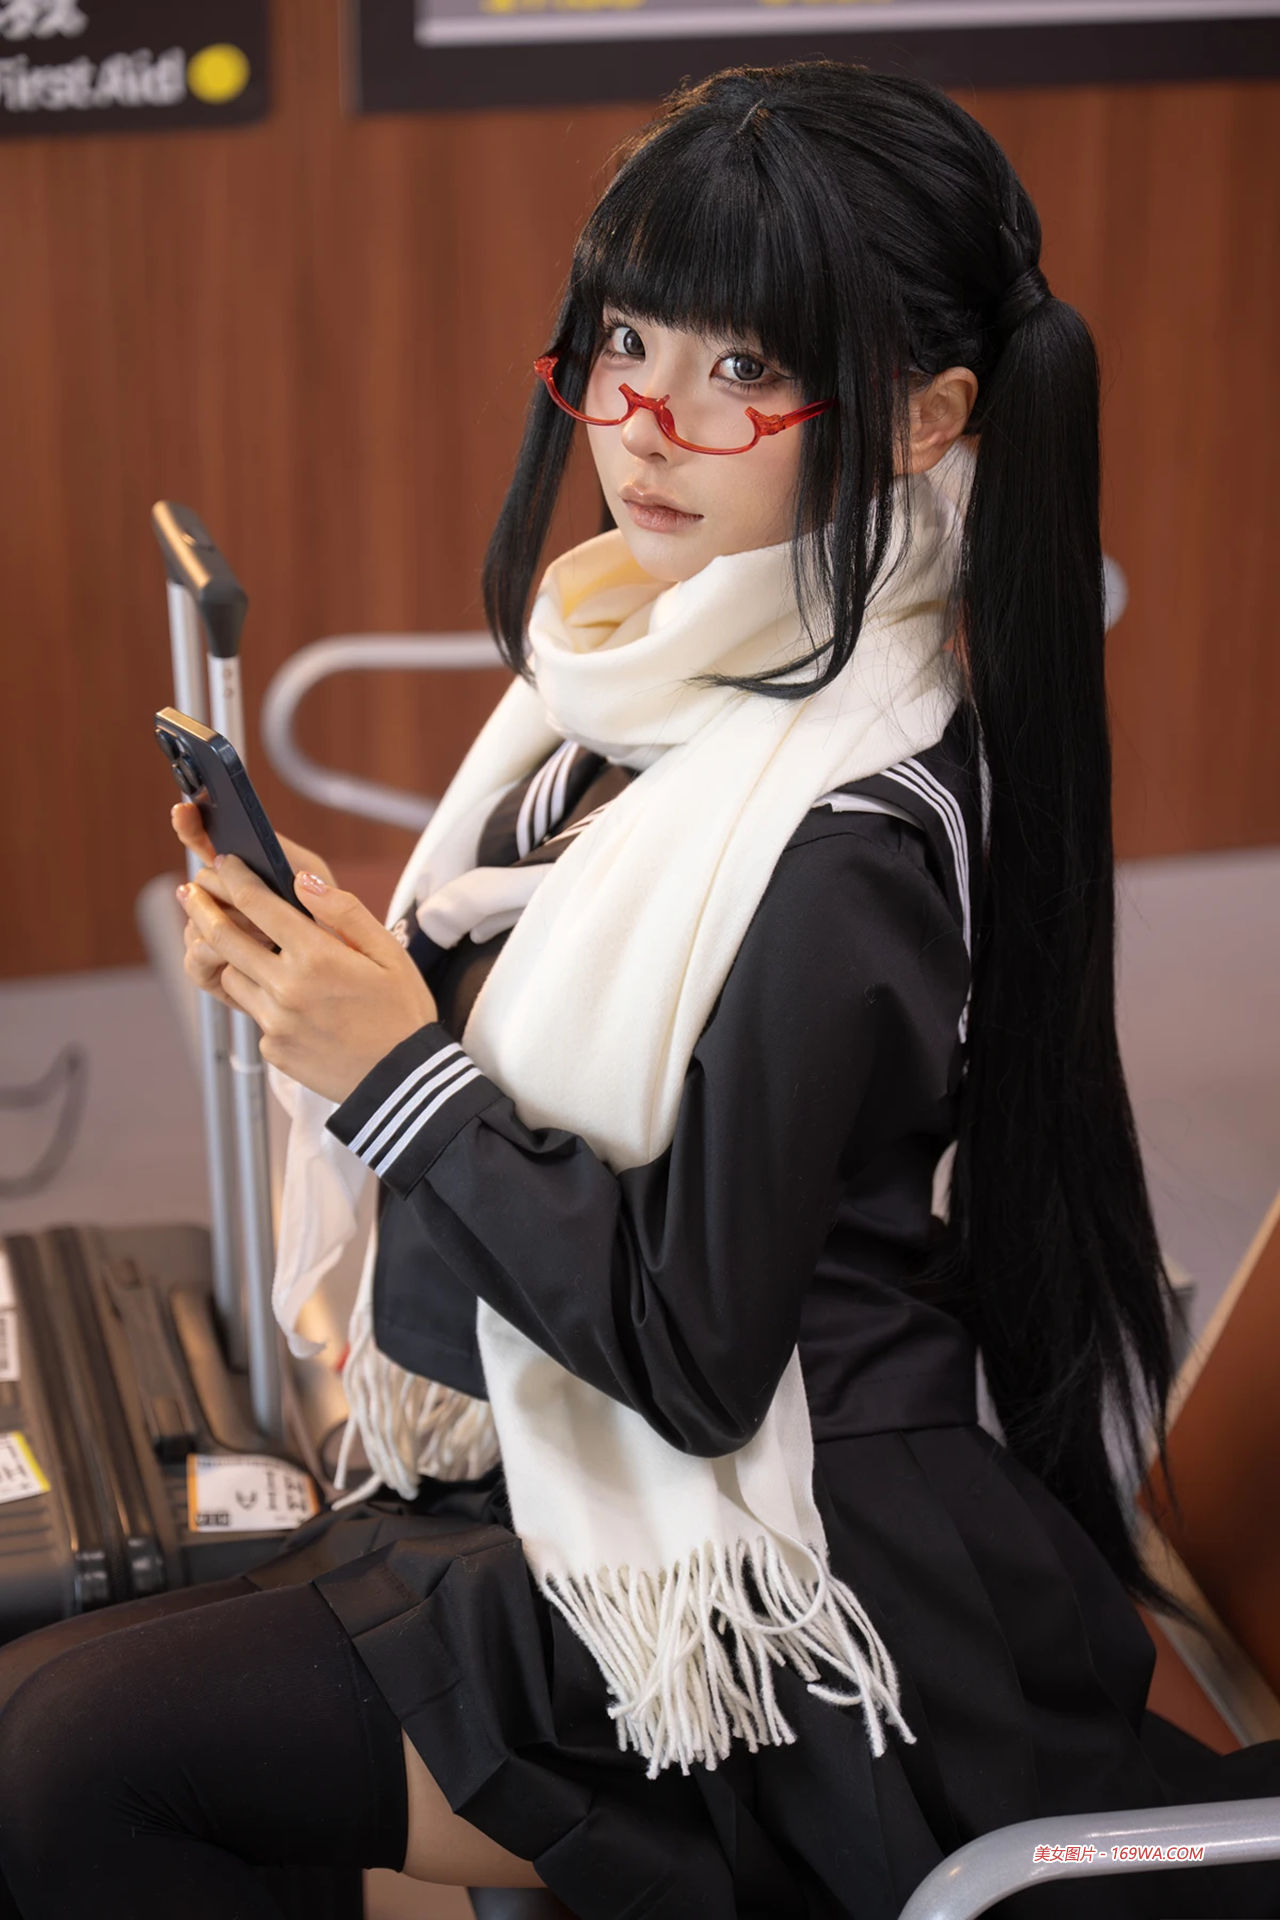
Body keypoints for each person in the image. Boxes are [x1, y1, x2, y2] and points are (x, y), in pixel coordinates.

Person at [0, 56, 1277, 1920]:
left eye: (745, 367)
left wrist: (395, 1071)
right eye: (625, 341)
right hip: (565, 1449)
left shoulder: (849, 832)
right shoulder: (662, 664)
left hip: (778, 1580)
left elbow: (694, 1357)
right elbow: (566, 1016)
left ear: (927, 418)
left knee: (69, 1768)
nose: (645, 424)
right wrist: (349, 979)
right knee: (68, 1697)